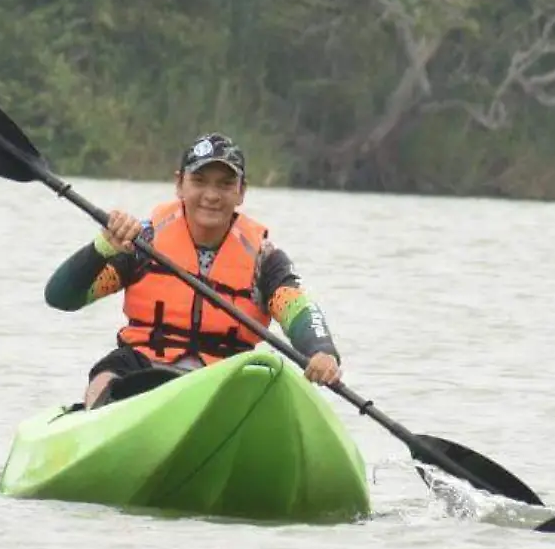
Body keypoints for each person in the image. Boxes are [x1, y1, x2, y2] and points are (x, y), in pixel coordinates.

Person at [45, 132, 343, 409]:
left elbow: (298, 310)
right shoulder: (140, 244)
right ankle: (96, 424)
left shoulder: (264, 260)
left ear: (241, 191)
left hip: (225, 376)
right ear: (180, 184)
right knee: (107, 373)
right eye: (199, 181)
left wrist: (322, 351)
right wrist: (102, 247)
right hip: (145, 368)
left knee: (268, 376)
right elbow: (61, 297)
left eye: (225, 184)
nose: (211, 195)